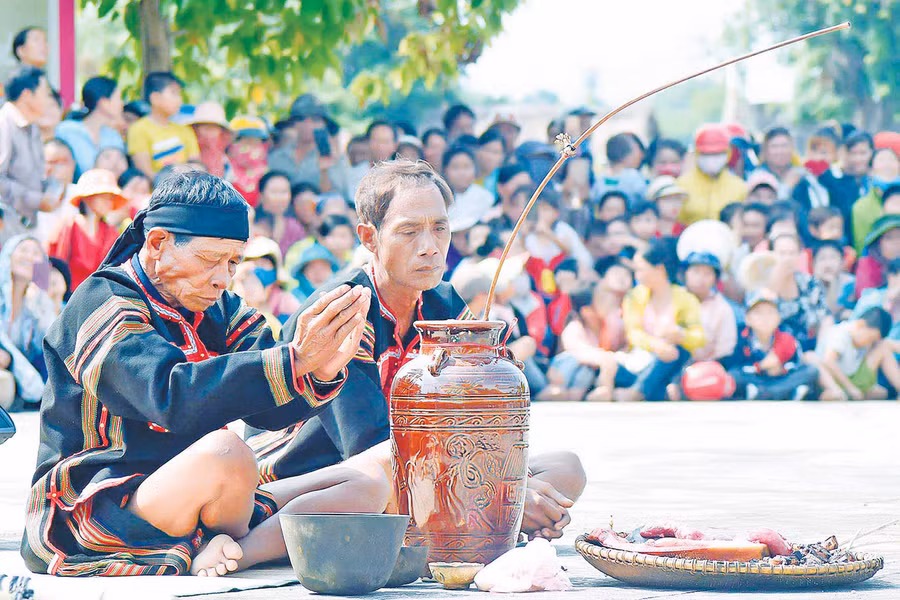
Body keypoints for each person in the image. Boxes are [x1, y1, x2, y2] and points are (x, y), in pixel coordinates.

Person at [22, 171, 377, 577]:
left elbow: (269, 411)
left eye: (233, 262)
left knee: (367, 484)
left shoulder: (218, 306)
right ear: (158, 243)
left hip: (207, 497)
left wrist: (319, 369)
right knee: (227, 452)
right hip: (99, 508)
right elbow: (169, 397)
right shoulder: (102, 301)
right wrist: (294, 359)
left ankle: (223, 548)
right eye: (211, 260)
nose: (222, 278)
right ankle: (220, 544)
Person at [249, 160, 586, 542]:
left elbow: (480, 415)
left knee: (565, 469)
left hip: (422, 469)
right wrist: (499, 496)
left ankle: (466, 519)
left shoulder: (444, 303)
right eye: (408, 231)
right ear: (369, 238)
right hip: (323, 475)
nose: (429, 248)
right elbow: (365, 443)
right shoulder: (343, 309)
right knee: (381, 481)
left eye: (439, 228)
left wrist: (508, 486)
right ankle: (471, 521)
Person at [615, 238, 705, 401]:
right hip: (641, 358)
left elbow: (699, 338)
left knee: (676, 351)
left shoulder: (685, 298)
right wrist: (655, 345)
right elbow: (633, 333)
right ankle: (652, 391)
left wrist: (681, 335)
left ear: (660, 269)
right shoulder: (634, 296)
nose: (637, 275)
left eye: (641, 270)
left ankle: (638, 392)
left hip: (671, 361)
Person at [0, 66, 64, 242]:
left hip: (27, 226)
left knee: (37, 268)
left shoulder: (32, 127)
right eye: (45, 93)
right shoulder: (3, 124)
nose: (49, 100)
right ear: (27, 95)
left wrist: (51, 189)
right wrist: (37, 200)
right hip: (6, 229)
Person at [722, 288, 819, 401]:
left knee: (811, 371)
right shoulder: (742, 339)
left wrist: (780, 368)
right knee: (734, 376)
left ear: (778, 318)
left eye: (770, 312)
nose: (765, 318)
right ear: (747, 318)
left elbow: (794, 363)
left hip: (781, 379)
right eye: (758, 313)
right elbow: (735, 366)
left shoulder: (787, 337)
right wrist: (760, 367)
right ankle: (785, 393)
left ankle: (770, 393)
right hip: (755, 378)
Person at [541, 280, 624, 402]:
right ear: (587, 311)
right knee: (582, 366)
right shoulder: (574, 328)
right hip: (564, 377)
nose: (608, 301)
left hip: (591, 375)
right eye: (601, 299)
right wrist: (606, 359)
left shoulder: (608, 324)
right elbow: (580, 353)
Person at [0, 235, 57, 411]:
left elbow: (52, 345)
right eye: (24, 250)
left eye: (36, 253)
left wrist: (40, 302)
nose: (29, 257)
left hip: (20, 378)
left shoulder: (37, 301)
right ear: (9, 254)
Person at [47, 169, 128, 289]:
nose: (108, 203)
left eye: (110, 199)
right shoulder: (67, 225)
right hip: (65, 297)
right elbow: (50, 261)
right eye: (103, 197)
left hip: (99, 297)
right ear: (87, 197)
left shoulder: (111, 232)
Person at [817, 306, 900, 400]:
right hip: (837, 381)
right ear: (861, 324)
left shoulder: (864, 335)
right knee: (832, 394)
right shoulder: (840, 334)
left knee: (882, 392)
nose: (870, 343)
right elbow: (829, 360)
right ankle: (838, 394)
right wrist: (849, 387)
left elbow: (890, 344)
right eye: (870, 339)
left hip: (854, 377)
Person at [126, 72, 200, 176]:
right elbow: (146, 173)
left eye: (179, 94)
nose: (179, 99)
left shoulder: (185, 130)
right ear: (155, 98)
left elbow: (196, 166)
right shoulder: (138, 130)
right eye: (174, 93)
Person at [767, 233, 832, 352]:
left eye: (791, 253)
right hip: (775, 351)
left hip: (810, 348)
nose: (787, 258)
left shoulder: (810, 283)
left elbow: (825, 318)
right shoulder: (762, 287)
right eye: (782, 253)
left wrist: (821, 350)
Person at [55, 76, 125, 178]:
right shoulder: (67, 131)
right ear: (103, 102)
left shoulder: (113, 136)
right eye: (118, 98)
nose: (122, 104)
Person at [676, 124, 747, 224]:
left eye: (717, 153)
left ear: (728, 153)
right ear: (697, 153)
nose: (712, 159)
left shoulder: (740, 187)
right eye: (706, 154)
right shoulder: (681, 186)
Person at [683, 252, 737, 362]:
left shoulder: (722, 308)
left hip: (705, 366)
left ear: (715, 279)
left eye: (707, 273)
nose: (701, 278)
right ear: (685, 273)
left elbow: (725, 348)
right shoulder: (674, 297)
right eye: (696, 272)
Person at [241, 236, 301, 327]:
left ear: (275, 268)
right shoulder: (238, 297)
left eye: (264, 263)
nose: (258, 268)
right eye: (254, 263)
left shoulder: (287, 304)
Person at [852, 149, 900, 252]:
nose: (887, 164)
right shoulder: (861, 207)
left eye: (891, 159)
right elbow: (861, 246)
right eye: (881, 160)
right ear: (871, 171)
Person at [254, 171, 305, 256]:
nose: (279, 198)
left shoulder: (294, 228)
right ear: (261, 195)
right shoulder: (250, 222)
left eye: (284, 192)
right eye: (274, 192)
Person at [591, 132, 647, 206]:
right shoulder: (634, 177)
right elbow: (645, 197)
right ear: (627, 156)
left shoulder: (601, 179)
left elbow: (594, 199)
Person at [443, 146, 494, 226]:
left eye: (466, 167)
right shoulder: (440, 197)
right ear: (445, 170)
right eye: (455, 167)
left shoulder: (485, 197)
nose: (461, 173)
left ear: (475, 169)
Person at [226, 115, 270, 207]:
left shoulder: (265, 173)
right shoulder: (224, 167)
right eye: (246, 141)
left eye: (256, 142)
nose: (250, 148)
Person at [855, 214, 900, 299]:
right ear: (878, 244)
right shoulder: (867, 264)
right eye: (889, 238)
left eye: (899, 237)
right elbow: (866, 299)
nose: (896, 243)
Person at [812, 240, 856, 321]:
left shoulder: (851, 284)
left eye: (833, 258)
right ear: (814, 264)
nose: (828, 264)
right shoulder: (808, 287)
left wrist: (833, 285)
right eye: (822, 258)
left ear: (842, 262)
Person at [188, 102, 233, 178]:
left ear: (221, 131)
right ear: (196, 128)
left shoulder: (225, 161)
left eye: (213, 127)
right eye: (205, 126)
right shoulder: (188, 153)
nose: (209, 131)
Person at [759, 126, 802, 200]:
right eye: (774, 146)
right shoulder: (759, 178)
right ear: (766, 151)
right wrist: (787, 187)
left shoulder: (799, 173)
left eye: (784, 146)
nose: (780, 151)